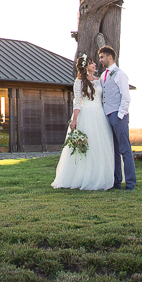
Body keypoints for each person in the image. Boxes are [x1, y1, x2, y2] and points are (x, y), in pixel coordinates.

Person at [51, 53, 115, 190]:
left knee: (100, 146)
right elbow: (77, 103)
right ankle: (81, 177)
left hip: (100, 115)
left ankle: (101, 176)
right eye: (92, 63)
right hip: (86, 115)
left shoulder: (99, 80)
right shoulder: (79, 82)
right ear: (86, 67)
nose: (95, 65)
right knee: (86, 147)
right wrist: (74, 120)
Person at [99, 46, 136, 190]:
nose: (100, 60)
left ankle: (131, 183)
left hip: (118, 116)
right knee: (114, 150)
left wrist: (120, 115)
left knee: (125, 149)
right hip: (107, 115)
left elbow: (126, 97)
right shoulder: (103, 75)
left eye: (102, 57)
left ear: (110, 57)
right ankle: (116, 182)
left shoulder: (120, 74)